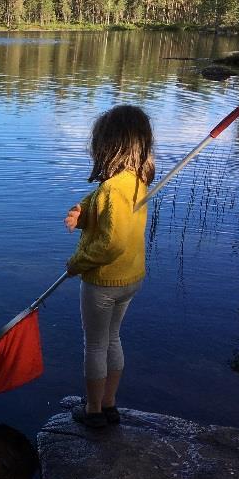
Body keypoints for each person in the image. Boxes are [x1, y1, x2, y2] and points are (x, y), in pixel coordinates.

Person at [63, 105, 155, 428]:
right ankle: (110, 404)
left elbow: (111, 242)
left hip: (103, 282)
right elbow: (103, 207)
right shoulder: (137, 183)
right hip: (130, 279)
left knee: (96, 345)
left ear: (108, 146)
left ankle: (93, 410)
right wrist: (82, 210)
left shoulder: (112, 189)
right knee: (113, 339)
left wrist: (77, 263)